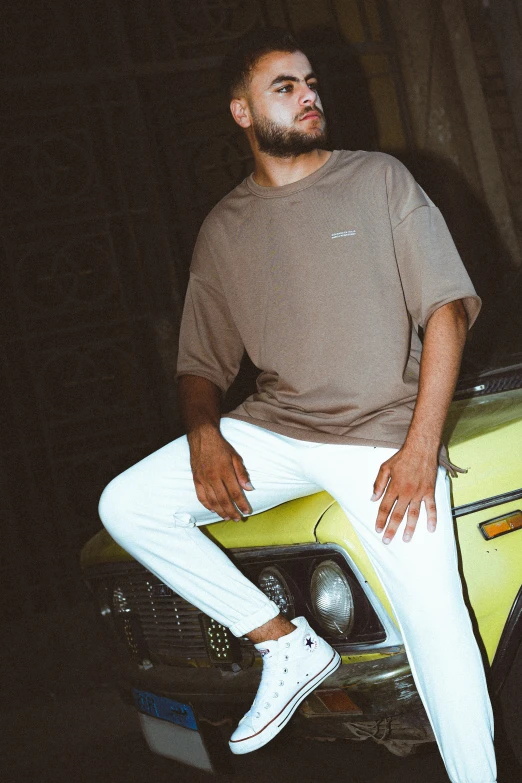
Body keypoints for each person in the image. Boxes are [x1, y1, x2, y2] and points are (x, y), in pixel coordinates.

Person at [99, 28, 496, 783]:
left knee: (438, 629)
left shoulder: (376, 179)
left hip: (384, 434)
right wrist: (204, 432)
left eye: (310, 82)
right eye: (285, 86)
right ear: (241, 112)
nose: (309, 94)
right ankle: (283, 642)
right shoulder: (225, 228)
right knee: (128, 504)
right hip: (277, 428)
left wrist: (419, 447)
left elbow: (446, 309)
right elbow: (198, 363)